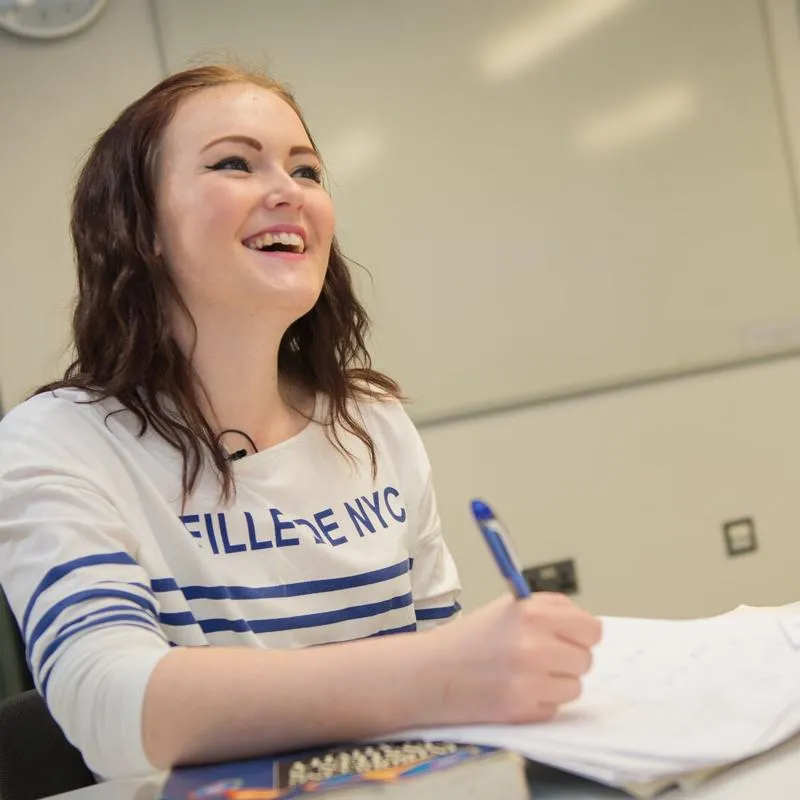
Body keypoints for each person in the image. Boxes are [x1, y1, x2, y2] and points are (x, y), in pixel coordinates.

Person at [0, 64, 602, 781]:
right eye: (234, 163)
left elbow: (446, 699)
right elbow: (111, 713)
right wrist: (438, 671)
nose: (289, 191)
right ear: (141, 228)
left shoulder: (372, 424)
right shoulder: (59, 441)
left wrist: (484, 670)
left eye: (307, 170)